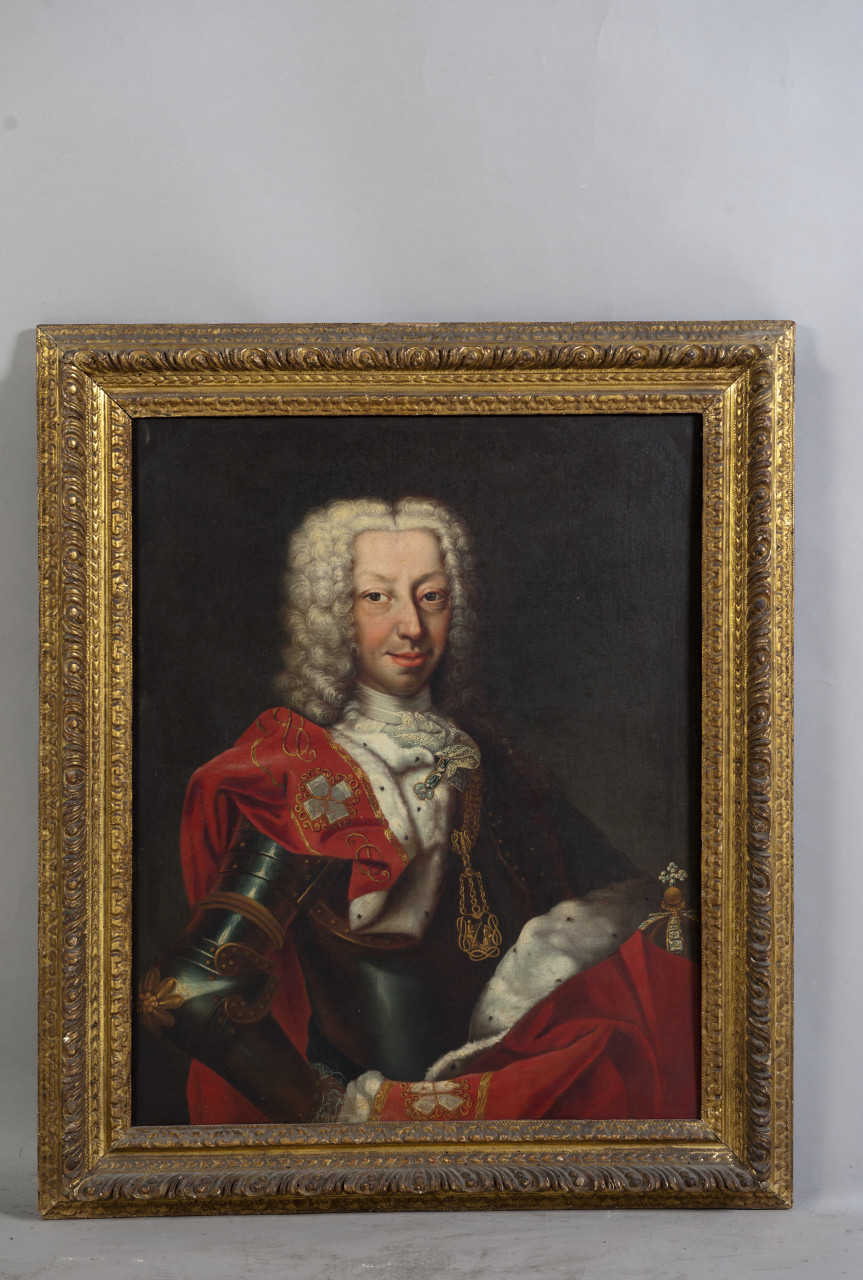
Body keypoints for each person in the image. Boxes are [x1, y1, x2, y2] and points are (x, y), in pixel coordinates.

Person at [138, 497, 699, 1124]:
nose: (411, 626)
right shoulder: (310, 781)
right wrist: (330, 1112)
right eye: (377, 598)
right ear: (334, 614)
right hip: (378, 1118)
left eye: (431, 597)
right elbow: (185, 993)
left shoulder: (492, 761)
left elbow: (641, 900)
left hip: (517, 1098)